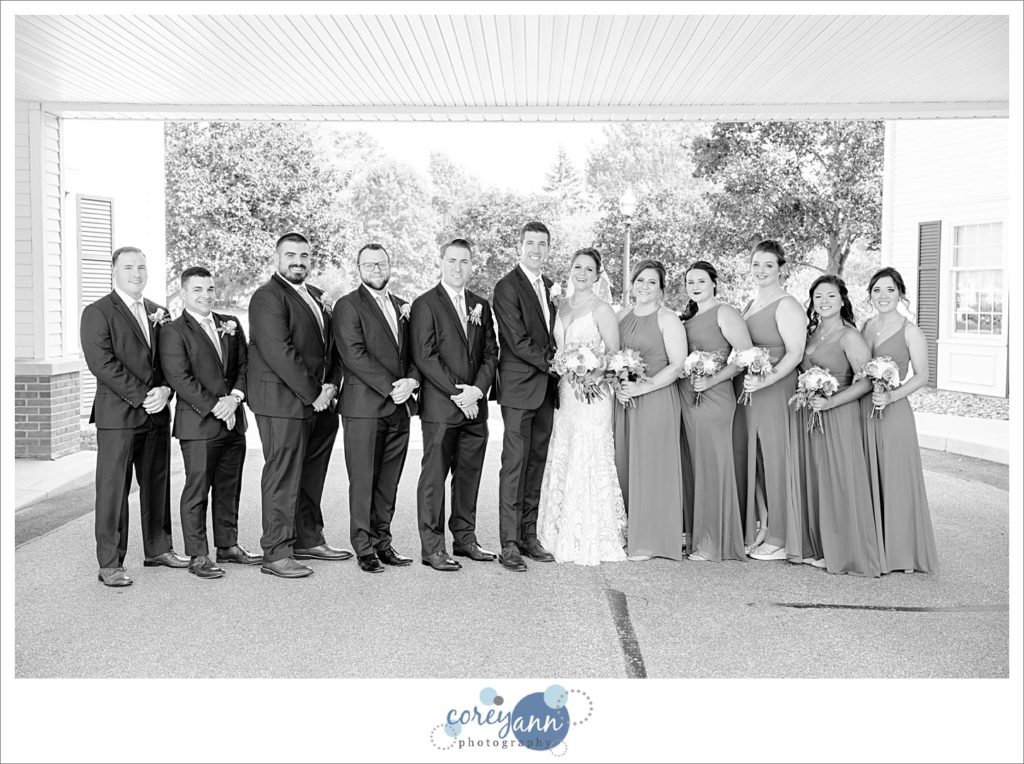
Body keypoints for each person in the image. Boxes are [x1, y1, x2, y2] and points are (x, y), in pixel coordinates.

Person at [80, 246, 188, 587]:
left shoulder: (160, 312)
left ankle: (158, 548)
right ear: (115, 270)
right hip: (118, 416)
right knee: (113, 491)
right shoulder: (97, 312)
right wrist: (144, 396)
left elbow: (173, 360)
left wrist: (166, 391)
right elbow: (103, 364)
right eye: (129, 267)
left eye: (141, 267)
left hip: (157, 414)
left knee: (157, 485)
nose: (136, 273)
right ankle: (110, 562)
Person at [246, 232, 350, 579]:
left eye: (304, 255)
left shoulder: (317, 297)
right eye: (290, 255)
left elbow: (331, 347)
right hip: (282, 403)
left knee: (311, 475)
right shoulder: (267, 297)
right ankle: (275, 552)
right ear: (277, 258)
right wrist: (314, 392)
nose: (298, 261)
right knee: (282, 475)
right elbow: (280, 352)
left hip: (320, 403)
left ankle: (307, 538)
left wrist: (332, 385)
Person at [159, 267, 261, 579]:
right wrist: (217, 406)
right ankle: (198, 554)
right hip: (199, 424)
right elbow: (180, 378)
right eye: (198, 290)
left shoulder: (229, 324)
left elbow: (245, 365)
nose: (206, 295)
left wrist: (235, 398)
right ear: (184, 293)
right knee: (197, 490)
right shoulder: (173, 331)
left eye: (210, 289)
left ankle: (228, 546)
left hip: (233, 421)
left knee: (230, 488)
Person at [410, 238, 499, 572]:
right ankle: (432, 547)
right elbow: (425, 356)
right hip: (441, 408)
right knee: (433, 477)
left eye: (464, 262)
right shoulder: (425, 304)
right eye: (452, 261)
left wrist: (477, 390)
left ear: (471, 265)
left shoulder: (481, 305)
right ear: (441, 262)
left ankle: (465, 539)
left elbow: (491, 353)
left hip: (475, 407)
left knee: (469, 475)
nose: (458, 267)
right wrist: (459, 394)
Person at [332, 243, 420, 574]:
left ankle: (383, 542)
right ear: (359, 268)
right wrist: (391, 387)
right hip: (364, 408)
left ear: (389, 266)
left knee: (388, 482)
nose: (376, 269)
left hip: (399, 408)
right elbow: (353, 354)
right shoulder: (347, 305)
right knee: (364, 479)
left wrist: (411, 382)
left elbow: (414, 354)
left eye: (381, 264)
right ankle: (364, 547)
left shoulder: (402, 306)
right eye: (369, 265)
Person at [537, 248, 627, 565]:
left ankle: (593, 533)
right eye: (578, 267)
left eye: (589, 269)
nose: (583, 273)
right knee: (564, 450)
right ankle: (558, 530)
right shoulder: (560, 307)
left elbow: (614, 355)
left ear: (598, 274)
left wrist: (593, 374)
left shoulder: (602, 310)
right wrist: (561, 365)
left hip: (593, 394)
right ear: (571, 270)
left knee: (589, 453)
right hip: (566, 392)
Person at [792, 275, 884, 576]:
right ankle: (823, 546)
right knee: (819, 479)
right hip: (813, 414)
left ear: (842, 299)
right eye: (818, 296)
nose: (824, 301)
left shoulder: (849, 337)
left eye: (830, 296)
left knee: (841, 481)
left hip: (839, 414)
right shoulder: (812, 332)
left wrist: (831, 402)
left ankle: (845, 552)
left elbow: (868, 381)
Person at [859, 267, 938, 574]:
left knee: (896, 479)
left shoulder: (910, 331)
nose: (883, 296)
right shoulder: (866, 326)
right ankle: (875, 548)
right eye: (877, 290)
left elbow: (922, 375)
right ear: (870, 295)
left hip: (894, 411)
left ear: (901, 294)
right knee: (870, 475)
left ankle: (902, 554)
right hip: (865, 408)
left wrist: (891, 396)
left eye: (890, 290)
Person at [492, 222, 559, 571]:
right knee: (514, 466)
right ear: (519, 246)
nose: (536, 249)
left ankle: (529, 535)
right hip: (520, 390)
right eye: (530, 243)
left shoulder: (550, 287)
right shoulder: (506, 286)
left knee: (536, 463)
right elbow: (516, 341)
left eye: (542, 244)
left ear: (549, 248)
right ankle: (509, 543)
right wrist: (556, 363)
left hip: (547, 391)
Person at [734, 240, 806, 561]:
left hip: (775, 387)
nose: (761, 271)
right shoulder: (750, 304)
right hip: (750, 389)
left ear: (781, 269)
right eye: (756, 265)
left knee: (776, 458)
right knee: (758, 460)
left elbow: (795, 353)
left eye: (768, 265)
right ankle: (764, 526)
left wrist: (767, 379)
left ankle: (781, 537)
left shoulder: (787, 304)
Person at [614, 260, 688, 561]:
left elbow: (678, 364)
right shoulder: (621, 316)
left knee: (652, 467)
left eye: (651, 282)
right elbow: (613, 357)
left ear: (661, 288)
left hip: (655, 399)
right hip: (625, 400)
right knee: (626, 464)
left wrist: (643, 388)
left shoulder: (668, 319)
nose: (644, 287)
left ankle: (652, 540)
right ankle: (629, 531)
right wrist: (617, 385)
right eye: (640, 280)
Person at [679, 261, 750, 562]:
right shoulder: (687, 318)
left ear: (713, 283)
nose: (695, 286)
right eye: (690, 282)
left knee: (712, 464)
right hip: (688, 396)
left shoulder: (725, 312)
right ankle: (696, 535)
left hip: (715, 396)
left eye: (701, 281)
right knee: (694, 464)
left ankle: (715, 540)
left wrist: (712, 379)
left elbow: (746, 356)